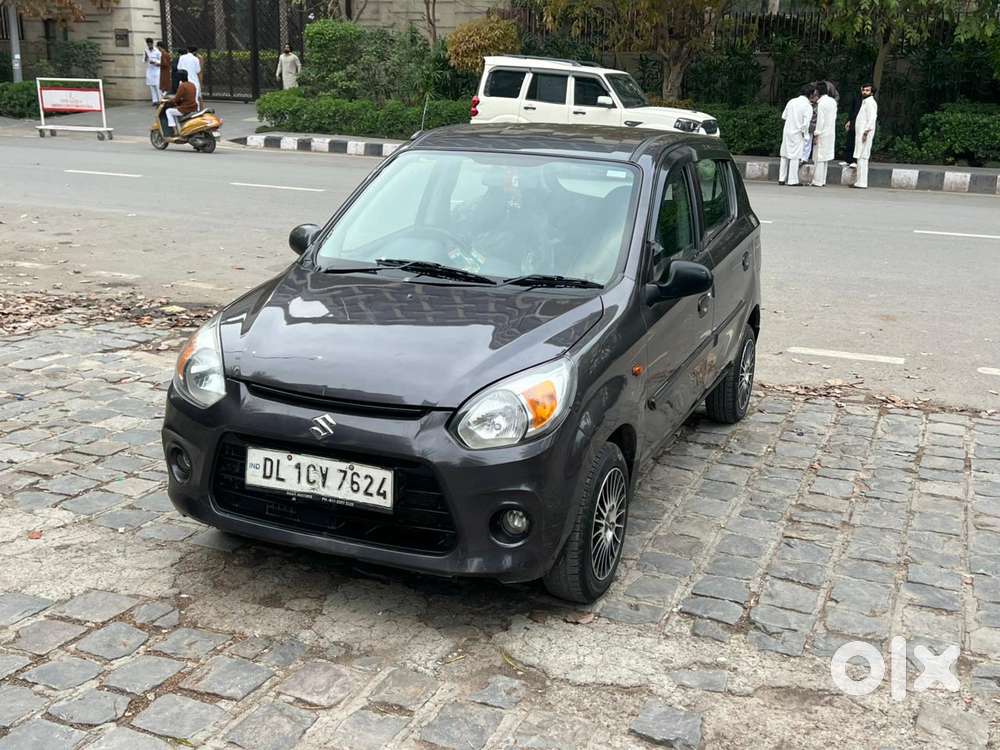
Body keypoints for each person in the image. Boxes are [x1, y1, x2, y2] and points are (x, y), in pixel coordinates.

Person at [779, 85, 816, 186]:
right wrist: (805, 134)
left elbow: (784, 116)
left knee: (784, 155)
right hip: (798, 133)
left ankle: (781, 178)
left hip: (787, 131)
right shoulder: (808, 106)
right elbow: (806, 124)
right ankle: (792, 180)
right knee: (795, 156)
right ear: (811, 95)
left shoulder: (791, 101)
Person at [811, 81, 838, 187]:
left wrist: (816, 134)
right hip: (830, 131)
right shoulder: (832, 102)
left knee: (819, 157)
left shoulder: (821, 103)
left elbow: (820, 120)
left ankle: (817, 181)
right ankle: (822, 180)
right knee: (825, 157)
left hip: (822, 132)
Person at [852, 84, 878, 189]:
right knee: (861, 157)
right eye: (864, 90)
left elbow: (872, 119)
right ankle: (859, 182)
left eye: (867, 91)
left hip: (865, 134)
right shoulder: (865, 102)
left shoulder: (871, 103)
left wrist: (866, 132)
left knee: (863, 157)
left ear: (871, 93)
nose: (864, 92)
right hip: (862, 133)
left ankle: (861, 183)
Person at [164, 69, 198, 135]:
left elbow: (176, 99)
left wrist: (170, 100)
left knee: (168, 111)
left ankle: (175, 130)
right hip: (193, 107)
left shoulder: (182, 86)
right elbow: (187, 96)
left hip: (185, 109)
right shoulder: (192, 84)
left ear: (180, 78)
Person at [840, 85, 864, 167]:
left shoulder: (868, 101)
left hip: (862, 123)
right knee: (850, 140)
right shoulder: (856, 98)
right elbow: (852, 110)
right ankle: (848, 159)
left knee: (857, 142)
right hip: (854, 121)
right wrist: (849, 121)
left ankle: (855, 160)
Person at [143, 38, 161, 106]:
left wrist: (155, 62)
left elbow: (161, 61)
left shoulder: (157, 51)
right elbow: (144, 61)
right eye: (148, 44)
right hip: (150, 70)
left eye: (150, 43)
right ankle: (155, 100)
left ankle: (160, 100)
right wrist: (146, 57)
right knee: (151, 86)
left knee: (157, 85)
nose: (149, 45)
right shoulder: (146, 50)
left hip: (156, 70)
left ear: (152, 43)